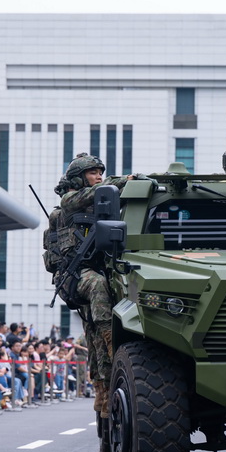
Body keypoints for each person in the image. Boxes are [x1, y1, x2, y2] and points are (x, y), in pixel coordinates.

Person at [53, 152, 135, 415]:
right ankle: (112, 337)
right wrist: (126, 180)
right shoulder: (69, 201)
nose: (98, 176)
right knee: (99, 289)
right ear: (78, 177)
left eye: (100, 171)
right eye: (92, 172)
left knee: (95, 342)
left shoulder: (102, 200)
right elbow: (100, 190)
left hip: (96, 273)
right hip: (77, 277)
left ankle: (103, 393)